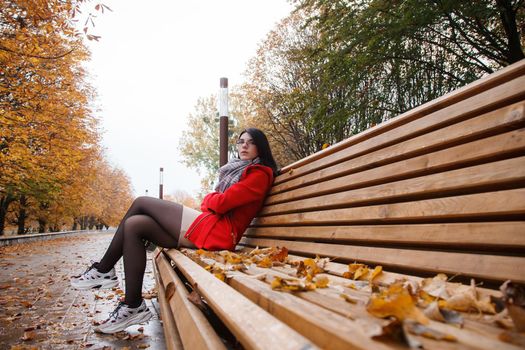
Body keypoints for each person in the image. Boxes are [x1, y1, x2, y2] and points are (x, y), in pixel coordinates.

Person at [70, 128, 278, 333]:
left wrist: (210, 198)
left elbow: (220, 203)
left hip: (218, 233)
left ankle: (104, 269)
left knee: (141, 202)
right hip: (210, 226)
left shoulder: (259, 173)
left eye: (250, 142)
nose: (244, 145)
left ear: (260, 146)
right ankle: (132, 304)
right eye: (241, 141)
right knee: (134, 225)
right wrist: (212, 201)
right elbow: (215, 204)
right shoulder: (239, 170)